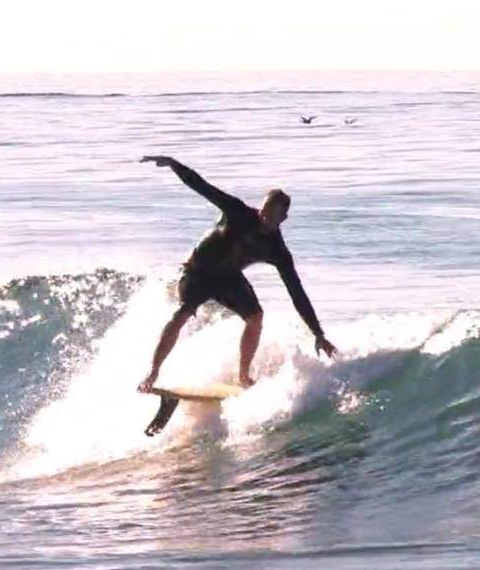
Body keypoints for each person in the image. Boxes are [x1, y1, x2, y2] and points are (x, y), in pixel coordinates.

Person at [137, 155, 337, 393]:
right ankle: (153, 372)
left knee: (256, 317)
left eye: (272, 215)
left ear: (283, 219)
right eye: (264, 211)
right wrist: (174, 164)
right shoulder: (238, 212)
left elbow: (297, 293)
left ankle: (243, 376)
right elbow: (203, 187)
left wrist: (318, 333)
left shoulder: (277, 250)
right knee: (183, 313)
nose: (264, 218)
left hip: (228, 278)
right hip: (198, 271)